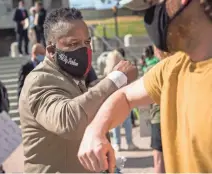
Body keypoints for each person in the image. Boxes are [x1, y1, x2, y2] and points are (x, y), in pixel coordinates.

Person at [78, 0, 212, 172]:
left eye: (152, 3)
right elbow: (125, 97)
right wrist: (95, 130)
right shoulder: (173, 68)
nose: (149, 19)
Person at [18, 7, 138, 173]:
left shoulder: (72, 77)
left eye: (87, 42)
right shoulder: (40, 81)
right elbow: (68, 120)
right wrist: (115, 79)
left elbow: (87, 102)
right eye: (73, 44)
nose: (84, 50)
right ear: (52, 51)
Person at [105, 50, 138, 151]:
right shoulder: (123, 71)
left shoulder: (108, 72)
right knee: (127, 121)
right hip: (124, 97)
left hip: (113, 99)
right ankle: (129, 143)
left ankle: (117, 144)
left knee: (115, 124)